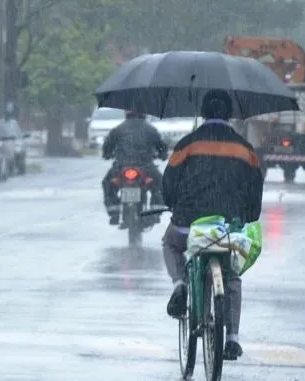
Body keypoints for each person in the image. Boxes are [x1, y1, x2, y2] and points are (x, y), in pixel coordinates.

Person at [160, 89, 264, 360]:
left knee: (170, 243)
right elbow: (255, 188)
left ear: (203, 113)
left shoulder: (187, 145)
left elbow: (169, 181)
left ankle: (179, 284)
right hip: (228, 226)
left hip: (188, 223)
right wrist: (249, 215)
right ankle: (232, 338)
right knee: (231, 275)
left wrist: (174, 205)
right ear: (229, 114)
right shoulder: (245, 149)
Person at [101, 110, 168, 224]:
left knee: (108, 183)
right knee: (160, 184)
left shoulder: (118, 129)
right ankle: (155, 212)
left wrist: (107, 155)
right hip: (146, 167)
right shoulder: (150, 129)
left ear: (126, 114)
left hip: (121, 167)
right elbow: (161, 147)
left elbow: (107, 148)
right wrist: (162, 155)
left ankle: (114, 213)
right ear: (144, 114)